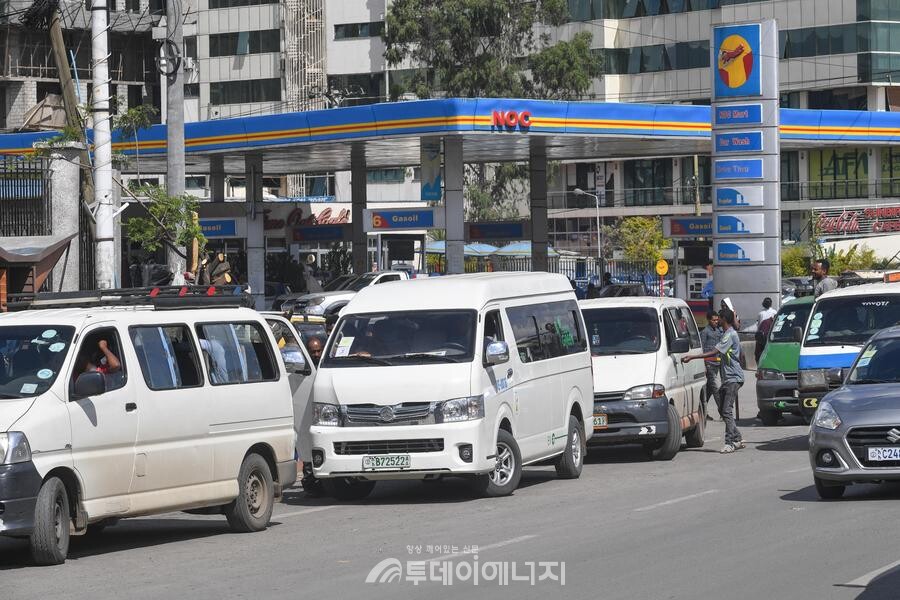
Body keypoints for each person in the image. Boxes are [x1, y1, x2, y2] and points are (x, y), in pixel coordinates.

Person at [682, 308, 744, 454]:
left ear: (724, 320)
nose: (717, 320)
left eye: (719, 318)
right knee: (723, 409)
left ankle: (730, 443)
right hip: (729, 378)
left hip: (733, 378)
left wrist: (693, 357)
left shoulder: (729, 335)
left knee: (726, 411)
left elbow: (715, 351)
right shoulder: (727, 333)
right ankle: (738, 438)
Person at [700, 311, 723, 420]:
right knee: (716, 388)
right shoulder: (705, 332)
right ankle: (723, 412)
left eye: (717, 320)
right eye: (713, 320)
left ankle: (703, 411)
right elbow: (702, 349)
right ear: (709, 320)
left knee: (709, 390)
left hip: (717, 363)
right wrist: (703, 365)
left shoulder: (719, 331)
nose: (716, 322)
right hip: (709, 364)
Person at [754, 297, 778, 364]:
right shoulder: (775, 312)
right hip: (771, 336)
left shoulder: (761, 313)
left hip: (762, 336)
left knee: (760, 352)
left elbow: (759, 326)